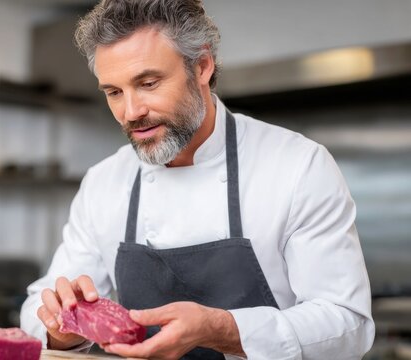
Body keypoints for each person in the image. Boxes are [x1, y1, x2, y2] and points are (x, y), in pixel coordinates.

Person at [20, 0, 375, 359]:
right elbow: (38, 306)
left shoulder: (298, 166)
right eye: (114, 92)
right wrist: (62, 327)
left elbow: (347, 324)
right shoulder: (104, 182)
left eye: (148, 83)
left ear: (202, 66)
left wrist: (223, 329)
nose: (131, 112)